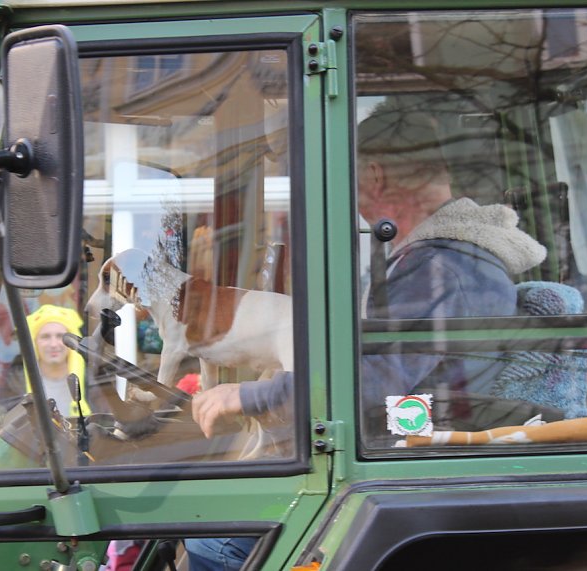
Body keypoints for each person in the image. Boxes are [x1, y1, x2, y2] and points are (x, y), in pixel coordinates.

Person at [185, 100, 547, 569]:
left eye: (353, 183)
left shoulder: (438, 267)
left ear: (373, 175)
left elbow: (372, 381)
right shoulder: (446, 260)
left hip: (409, 461)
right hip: (406, 446)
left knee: (214, 541)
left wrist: (253, 396)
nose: (354, 200)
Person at [25, 304, 91, 416]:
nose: (54, 344)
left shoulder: (91, 382)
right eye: (45, 336)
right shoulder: (15, 383)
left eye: (61, 336)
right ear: (34, 342)